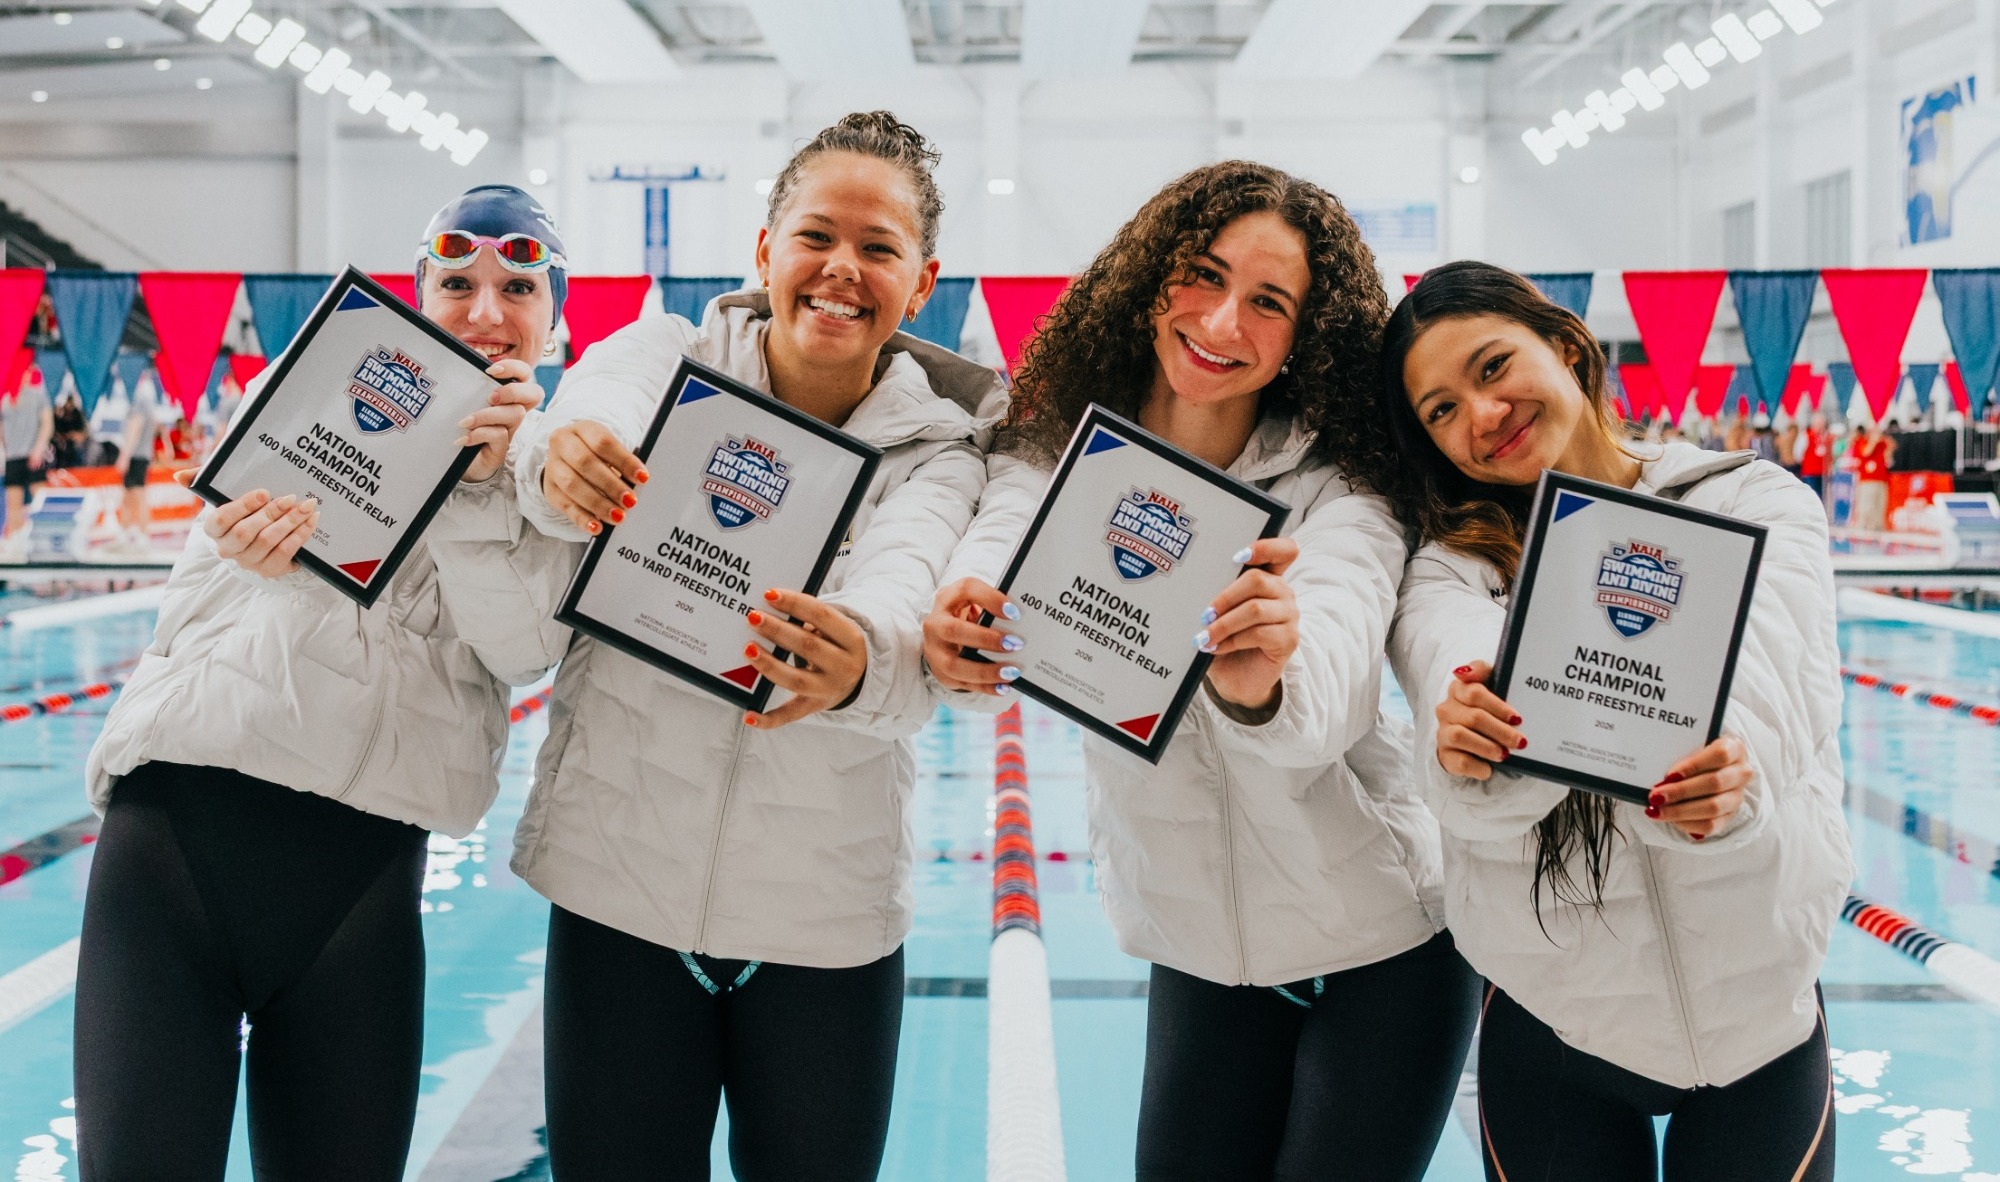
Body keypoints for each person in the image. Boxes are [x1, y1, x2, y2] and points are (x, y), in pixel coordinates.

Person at [442, 112, 1004, 1180]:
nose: (841, 269)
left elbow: (905, 595)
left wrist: (861, 660)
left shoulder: (941, 455)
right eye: (815, 236)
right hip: (619, 898)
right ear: (764, 250)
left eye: (878, 248)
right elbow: (587, 417)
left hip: (825, 929)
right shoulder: (663, 357)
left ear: (922, 282)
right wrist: (560, 462)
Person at [925, 162, 1477, 1181]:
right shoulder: (1055, 453)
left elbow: (1335, 663)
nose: (1223, 322)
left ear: (1304, 336)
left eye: (1268, 302)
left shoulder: (1340, 490)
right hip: (1197, 950)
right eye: (1205, 276)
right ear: (1150, 282)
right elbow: (999, 537)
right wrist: (966, 618)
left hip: (1383, 951)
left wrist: (1267, 683)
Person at [75, 183, 563, 1181]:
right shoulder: (310, 389)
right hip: (174, 850)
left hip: (358, 892)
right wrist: (250, 555)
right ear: (416, 293)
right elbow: (198, 599)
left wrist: (483, 490)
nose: (484, 310)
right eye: (457, 283)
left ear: (553, 318)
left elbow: (520, 650)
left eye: (517, 288)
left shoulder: (551, 483)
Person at [1374, 261, 1849, 1182]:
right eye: (1440, 410)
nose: (1482, 415)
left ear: (1565, 346)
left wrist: (1731, 774)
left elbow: (1780, 680)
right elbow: (1454, 673)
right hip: (1556, 1027)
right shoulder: (1449, 568)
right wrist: (1476, 741)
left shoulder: (1750, 498)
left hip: (1762, 1018)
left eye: (1493, 366)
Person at [2, 358, 54, 542]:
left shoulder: (38, 394)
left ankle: (44, 539)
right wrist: (3, 453)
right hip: (13, 455)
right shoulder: (5, 397)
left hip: (34, 455)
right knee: (13, 505)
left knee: (40, 502)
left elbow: (47, 424)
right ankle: (14, 541)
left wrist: (38, 448)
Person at [1851, 417, 1895, 531]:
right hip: (1867, 480)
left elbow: (1888, 457)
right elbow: (1865, 452)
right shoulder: (1862, 441)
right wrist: (1873, 441)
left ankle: (1878, 527)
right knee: (1866, 506)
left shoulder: (1882, 443)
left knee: (1880, 506)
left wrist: (1889, 446)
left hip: (1881, 479)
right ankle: (1863, 527)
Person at [1798, 411, 1831, 498]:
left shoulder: (1826, 436)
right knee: (1812, 495)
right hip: (1810, 472)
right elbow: (1798, 453)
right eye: (1818, 424)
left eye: (1822, 424)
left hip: (1823, 472)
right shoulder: (1806, 435)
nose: (1820, 427)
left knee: (1822, 496)